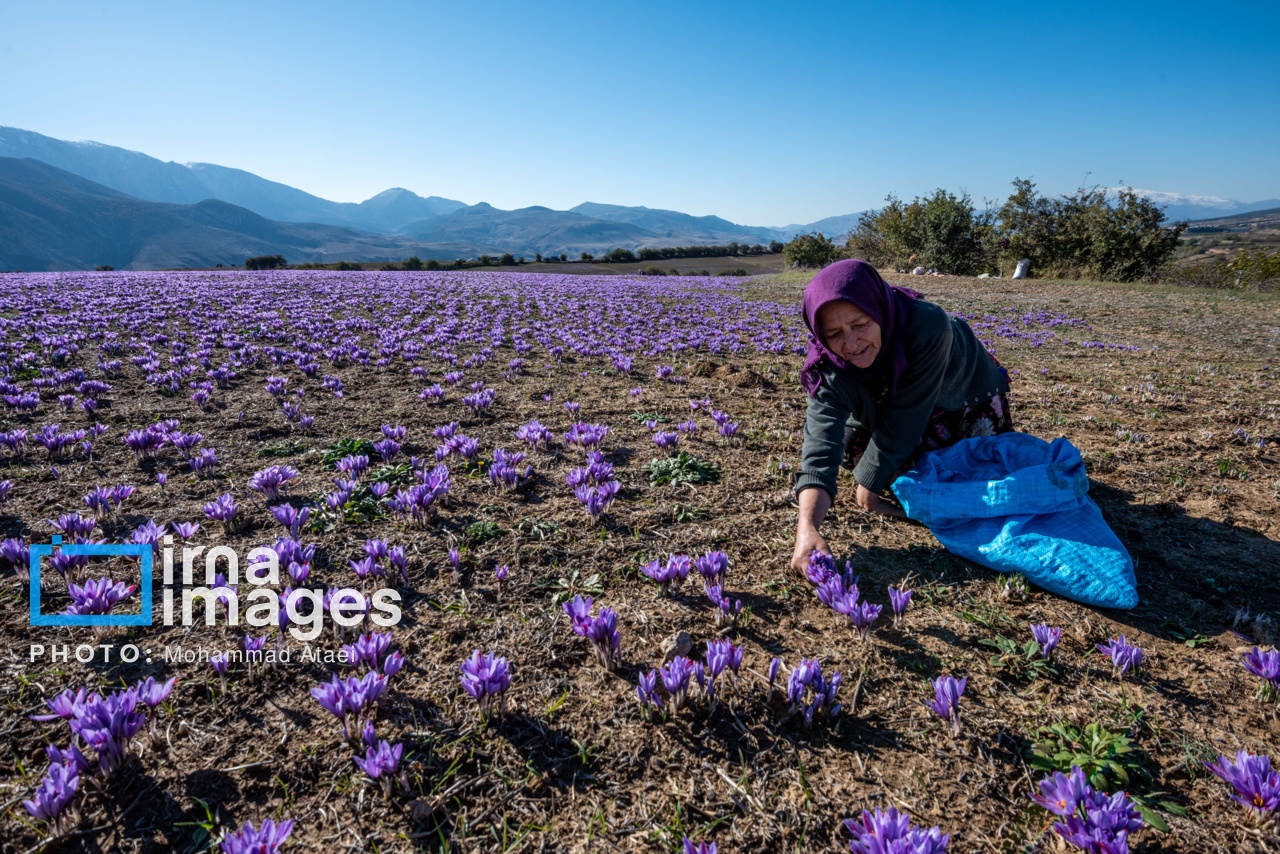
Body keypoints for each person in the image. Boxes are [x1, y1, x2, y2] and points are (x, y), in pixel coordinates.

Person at [790, 258, 1014, 574]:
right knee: (850, 446)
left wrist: (869, 483)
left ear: (878, 308)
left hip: (955, 393)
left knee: (961, 465)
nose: (851, 344)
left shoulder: (927, 326)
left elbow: (908, 413)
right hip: (893, 401)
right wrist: (807, 527)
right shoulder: (827, 366)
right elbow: (820, 445)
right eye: (834, 333)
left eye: (860, 325)